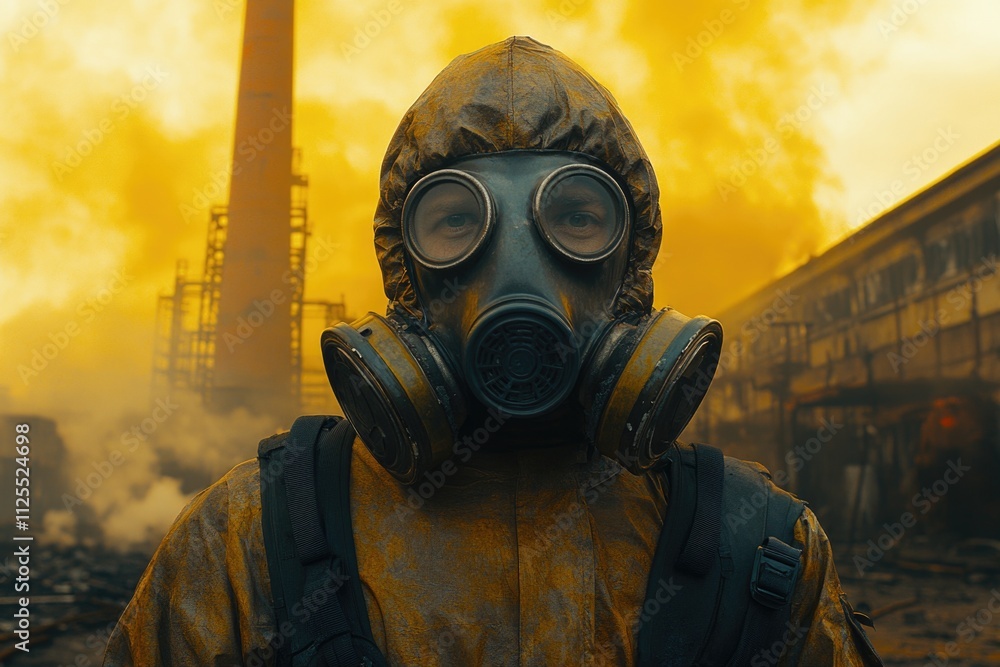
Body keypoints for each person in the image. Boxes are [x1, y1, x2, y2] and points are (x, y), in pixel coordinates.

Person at [104, 36, 883, 666]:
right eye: (456, 223)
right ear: (404, 267)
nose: (516, 271)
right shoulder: (247, 539)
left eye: (575, 217)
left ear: (632, 261)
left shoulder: (761, 546)